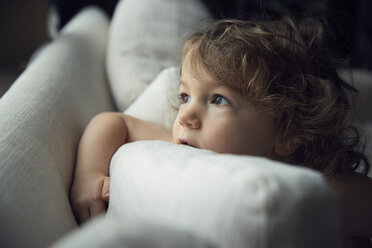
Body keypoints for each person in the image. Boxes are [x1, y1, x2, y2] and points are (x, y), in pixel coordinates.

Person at [70, 17, 372, 247]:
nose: (186, 115)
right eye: (185, 96)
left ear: (288, 132)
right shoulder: (188, 154)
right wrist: (88, 177)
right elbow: (114, 122)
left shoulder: (335, 192)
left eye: (218, 99)